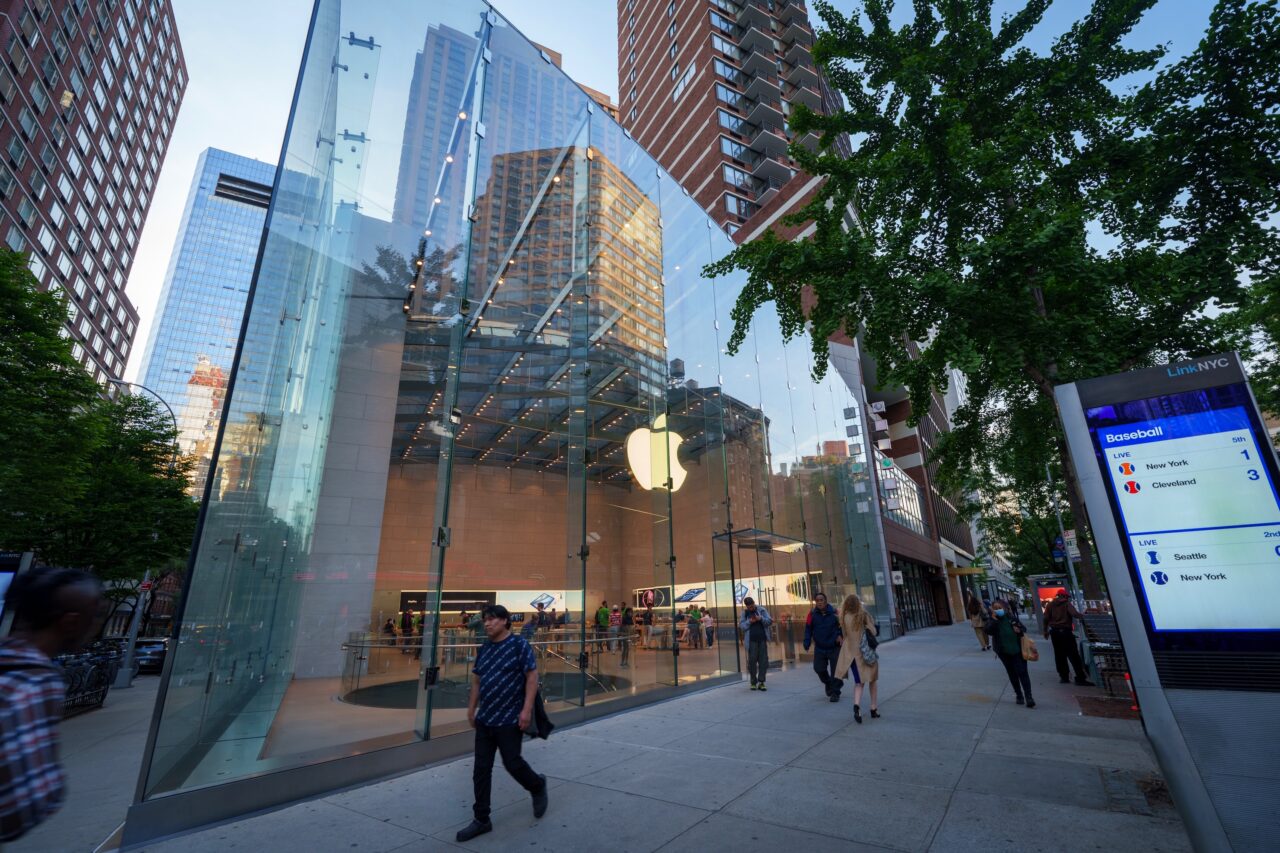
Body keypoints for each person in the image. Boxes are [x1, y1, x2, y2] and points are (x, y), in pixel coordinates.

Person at [1, 567, 105, 845]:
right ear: (71, 622)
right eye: (94, 615)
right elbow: (18, 808)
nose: (96, 624)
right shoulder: (32, 684)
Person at [455, 605, 548, 842]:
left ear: (505, 621)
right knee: (481, 769)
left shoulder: (519, 645)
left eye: (493, 620)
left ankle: (537, 786)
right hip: (486, 719)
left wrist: (526, 710)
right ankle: (481, 819)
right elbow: (476, 679)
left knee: (513, 763)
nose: (487, 624)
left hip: (510, 718)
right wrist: (471, 708)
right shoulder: (485, 647)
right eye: (485, 620)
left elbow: (532, 677)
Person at [833, 594, 880, 723]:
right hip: (866, 653)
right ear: (858, 603)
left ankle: (857, 705)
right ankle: (873, 708)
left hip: (851, 655)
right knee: (872, 680)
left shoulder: (844, 617)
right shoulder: (863, 616)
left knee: (859, 683)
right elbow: (874, 632)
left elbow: (844, 635)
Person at [985, 599, 1035, 708]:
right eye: (995, 608)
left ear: (1005, 608)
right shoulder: (993, 620)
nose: (998, 610)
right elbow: (988, 631)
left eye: (1000, 608)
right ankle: (1019, 695)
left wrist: (1019, 630)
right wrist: (994, 620)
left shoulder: (1011, 618)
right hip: (1003, 651)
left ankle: (1029, 696)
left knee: (1023, 672)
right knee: (1012, 673)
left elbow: (1023, 628)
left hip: (1017, 650)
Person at [1043, 591, 1094, 686]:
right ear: (1063, 596)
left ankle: (1064, 677)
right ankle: (1080, 678)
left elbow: (1046, 618)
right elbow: (1074, 614)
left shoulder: (1050, 605)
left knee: (1059, 655)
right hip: (1065, 632)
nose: (1067, 598)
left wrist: (1045, 631)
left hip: (1054, 633)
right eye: (1067, 596)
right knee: (1073, 655)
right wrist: (1085, 615)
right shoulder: (1067, 604)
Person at [803, 593, 844, 703]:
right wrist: (806, 642)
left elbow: (842, 625)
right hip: (820, 647)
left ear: (826, 601)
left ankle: (835, 692)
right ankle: (828, 683)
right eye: (817, 600)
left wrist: (840, 635)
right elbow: (808, 629)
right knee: (818, 668)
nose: (819, 602)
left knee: (836, 671)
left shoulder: (835, 613)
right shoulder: (811, 614)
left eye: (821, 600)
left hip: (834, 646)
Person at [738, 597, 772, 691]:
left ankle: (761, 682)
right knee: (752, 662)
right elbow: (742, 627)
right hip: (751, 641)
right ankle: (753, 682)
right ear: (746, 606)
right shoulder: (744, 613)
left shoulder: (762, 610)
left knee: (763, 661)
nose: (751, 608)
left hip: (762, 639)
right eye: (749, 607)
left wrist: (760, 618)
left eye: (752, 606)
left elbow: (769, 621)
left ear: (754, 603)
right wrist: (750, 621)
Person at [619, 603, 633, 667]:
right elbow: (623, 626)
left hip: (629, 634)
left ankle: (626, 661)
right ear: (627, 612)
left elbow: (631, 625)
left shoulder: (630, 618)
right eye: (630, 612)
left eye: (631, 612)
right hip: (625, 634)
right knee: (625, 648)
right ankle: (622, 662)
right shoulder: (625, 617)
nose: (631, 613)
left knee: (627, 649)